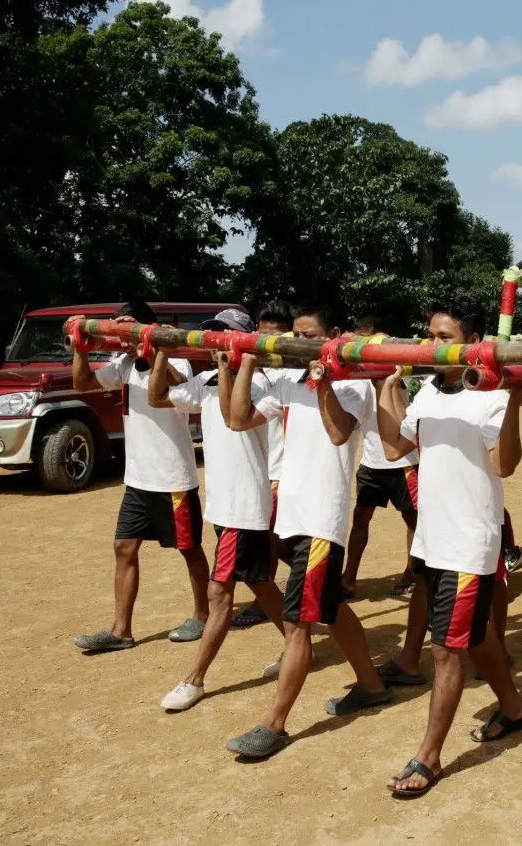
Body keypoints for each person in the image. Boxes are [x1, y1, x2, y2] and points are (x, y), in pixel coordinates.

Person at [373, 303, 522, 798]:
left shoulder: (488, 395)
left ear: (472, 341)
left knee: (446, 649)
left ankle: (429, 756)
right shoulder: (427, 391)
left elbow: (505, 465)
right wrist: (384, 386)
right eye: (430, 335)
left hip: (468, 543)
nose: (433, 344)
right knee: (476, 634)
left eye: (445, 336)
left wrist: (512, 400)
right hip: (432, 538)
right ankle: (514, 708)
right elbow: (394, 448)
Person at [221, 306, 391, 760]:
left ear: (332, 335)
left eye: (309, 335)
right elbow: (238, 419)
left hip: (320, 520)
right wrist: (245, 363)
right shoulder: (287, 379)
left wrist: (324, 378)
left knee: (298, 622)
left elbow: (338, 434)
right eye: (295, 335)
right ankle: (372, 685)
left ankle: (274, 724)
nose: (299, 342)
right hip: (293, 516)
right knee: (329, 606)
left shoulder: (354, 382)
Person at [147, 309, 287, 711]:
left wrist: (230, 368)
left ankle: (194, 679)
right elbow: (157, 398)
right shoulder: (206, 380)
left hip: (245, 505)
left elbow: (234, 418)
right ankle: (299, 644)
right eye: (212, 334)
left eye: (223, 335)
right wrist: (161, 352)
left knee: (219, 592)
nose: (214, 342)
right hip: (223, 506)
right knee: (261, 584)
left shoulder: (260, 383)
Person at [72, 302, 210, 653]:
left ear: (148, 328)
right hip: (137, 478)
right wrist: (80, 349)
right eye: (118, 327)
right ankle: (121, 631)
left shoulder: (175, 359)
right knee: (124, 547)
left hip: (173, 477)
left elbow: (181, 386)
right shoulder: (124, 363)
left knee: (189, 548)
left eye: (128, 327)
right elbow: (83, 383)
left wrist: (152, 352)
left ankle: (203, 614)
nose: (122, 335)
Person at [344, 323, 420, 600]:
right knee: (360, 519)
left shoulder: (401, 376)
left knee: (413, 520)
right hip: (372, 462)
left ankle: (412, 572)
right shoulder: (360, 379)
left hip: (405, 463)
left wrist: (386, 373)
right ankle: (349, 576)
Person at [231, 300, 294, 631]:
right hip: (257, 467)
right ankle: (314, 575)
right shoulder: (249, 369)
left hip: (281, 468)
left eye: (277, 336)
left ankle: (264, 600)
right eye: (263, 335)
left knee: (268, 535)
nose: (268, 342)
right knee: (275, 538)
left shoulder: (288, 373)